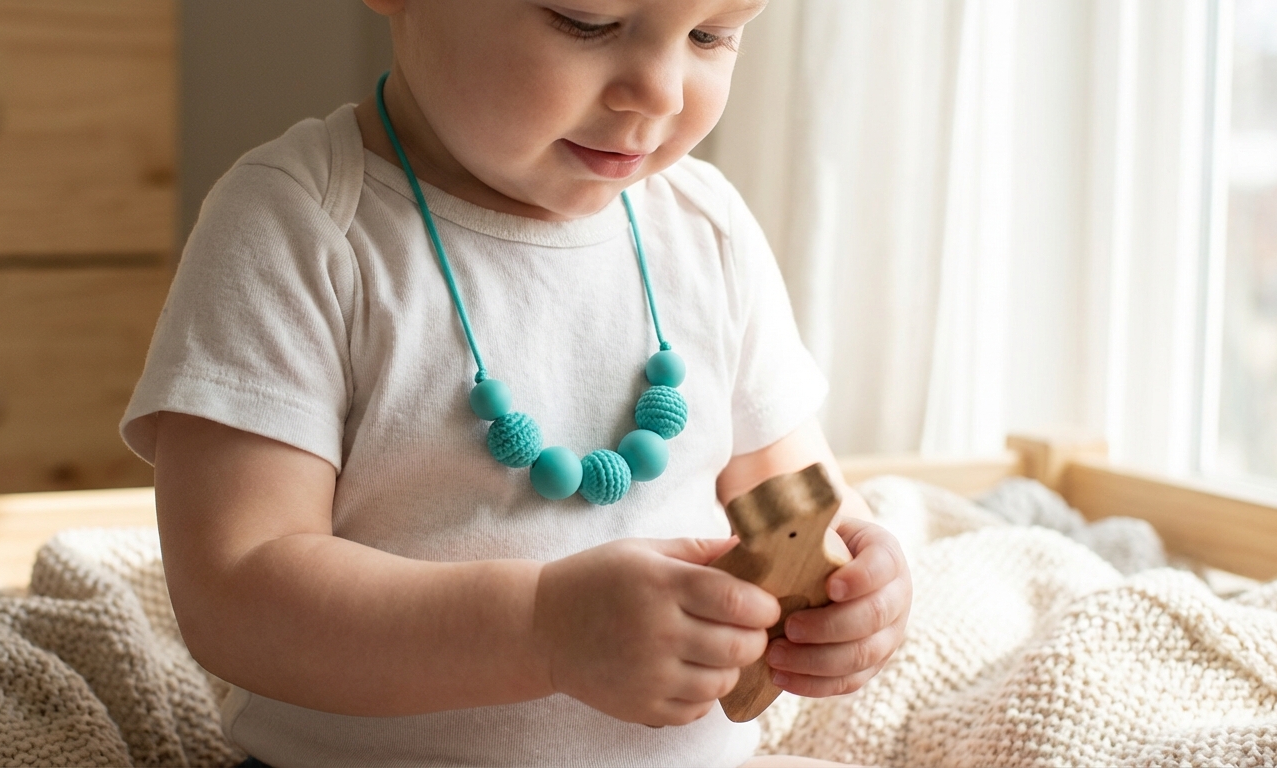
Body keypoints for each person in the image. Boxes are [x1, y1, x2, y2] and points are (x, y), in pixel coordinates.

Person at [119, 1, 912, 765]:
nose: (662, 92)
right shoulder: (301, 225)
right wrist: (540, 630)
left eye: (711, 35)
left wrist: (858, 587)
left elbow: (801, 500)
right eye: (586, 22)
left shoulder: (707, 229)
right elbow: (235, 590)